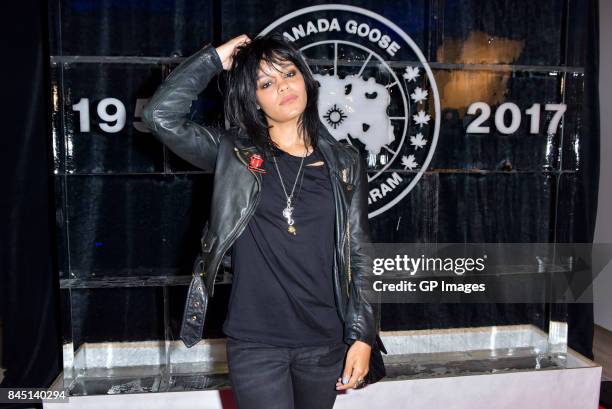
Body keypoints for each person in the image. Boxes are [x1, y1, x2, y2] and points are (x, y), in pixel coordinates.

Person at [143, 33, 379, 409]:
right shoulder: (233, 155)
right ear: (252, 99)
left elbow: (360, 252)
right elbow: (159, 116)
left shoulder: (345, 162)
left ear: (305, 78)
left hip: (324, 340)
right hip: (256, 341)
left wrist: (363, 335)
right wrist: (214, 59)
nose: (283, 85)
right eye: (266, 82)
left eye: (288, 73)